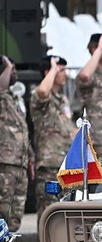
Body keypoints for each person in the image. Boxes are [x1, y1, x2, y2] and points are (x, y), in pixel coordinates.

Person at [30, 55, 72, 217]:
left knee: (65, 214)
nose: (65, 74)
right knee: (48, 214)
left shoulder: (62, 99)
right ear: (49, 72)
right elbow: (42, 91)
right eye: (61, 70)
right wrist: (53, 68)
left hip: (65, 165)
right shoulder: (40, 97)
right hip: (49, 166)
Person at [0, 55, 29, 232]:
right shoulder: (2, 96)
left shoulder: (13, 98)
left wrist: (30, 156)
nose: (15, 73)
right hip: (6, 163)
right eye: (12, 70)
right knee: (2, 211)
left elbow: (22, 129)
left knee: (16, 212)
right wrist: (7, 66)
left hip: (20, 163)